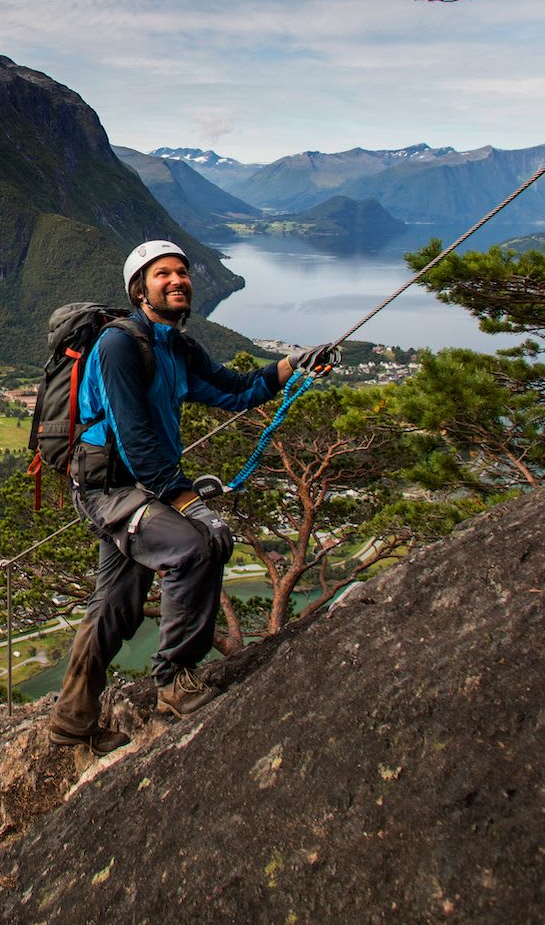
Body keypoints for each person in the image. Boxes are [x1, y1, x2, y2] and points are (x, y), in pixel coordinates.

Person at [48, 239, 331, 752]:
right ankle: (174, 679)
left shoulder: (177, 347)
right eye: (163, 274)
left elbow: (238, 390)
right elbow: (133, 438)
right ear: (140, 290)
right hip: (110, 488)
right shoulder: (118, 346)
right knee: (196, 545)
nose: (178, 280)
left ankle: (71, 720)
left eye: (182, 272)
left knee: (114, 603)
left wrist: (296, 363)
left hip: (137, 485)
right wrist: (185, 501)